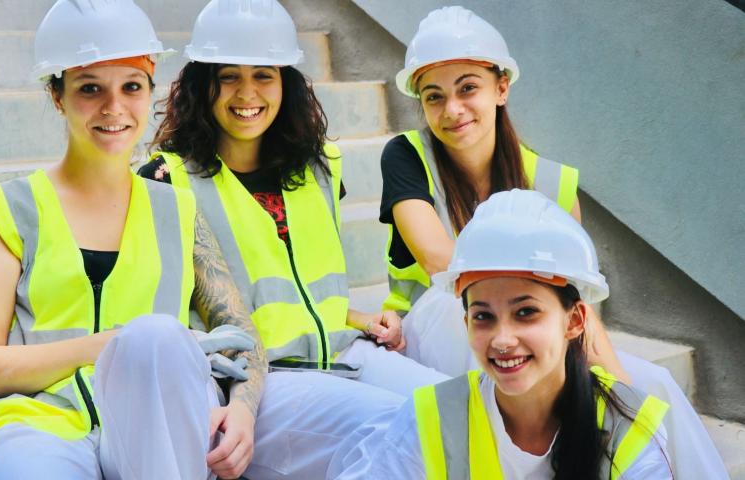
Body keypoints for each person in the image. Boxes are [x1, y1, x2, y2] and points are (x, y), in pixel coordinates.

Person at [380, 7, 727, 477]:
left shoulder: (549, 181)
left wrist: (612, 385)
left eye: (468, 88)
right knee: (471, 298)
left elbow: (571, 298)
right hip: (439, 325)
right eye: (434, 96)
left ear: (501, 88)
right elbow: (442, 263)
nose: (452, 110)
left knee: (652, 383)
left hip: (527, 333)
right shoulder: (406, 155)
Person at [0, 1, 267, 478]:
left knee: (155, 335)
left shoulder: (177, 208)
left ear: (151, 90)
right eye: (90, 88)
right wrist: (111, 346)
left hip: (149, 431)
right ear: (58, 96)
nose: (114, 108)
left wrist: (243, 408)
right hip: (37, 430)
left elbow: (240, 330)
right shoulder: (9, 210)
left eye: (131, 86)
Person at [139, 0, 448, 397]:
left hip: (342, 352)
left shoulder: (322, 170)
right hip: (259, 379)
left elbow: (300, 298)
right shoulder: (168, 180)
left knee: (457, 409)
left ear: (287, 83)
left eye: (264, 75)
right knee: (395, 422)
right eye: (229, 76)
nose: (247, 93)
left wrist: (359, 319)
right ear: (203, 86)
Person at [329, 189, 674, 479]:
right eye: (483, 316)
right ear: (466, 324)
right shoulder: (432, 418)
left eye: (526, 312)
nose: (503, 339)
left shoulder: (628, 428)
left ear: (575, 321)